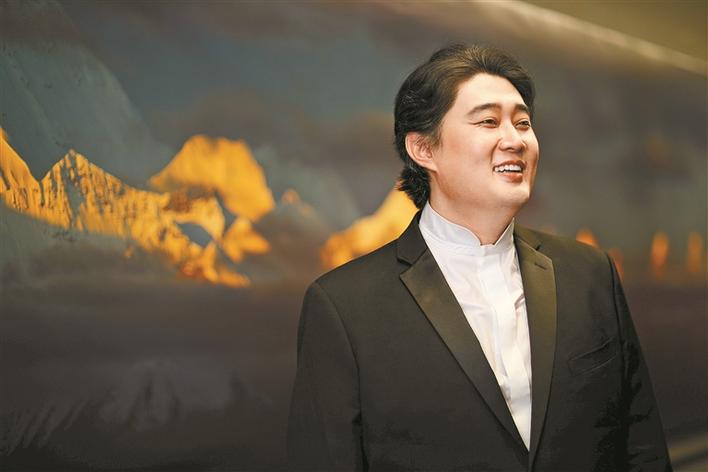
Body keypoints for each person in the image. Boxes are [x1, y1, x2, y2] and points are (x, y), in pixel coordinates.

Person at [287, 44, 671, 471]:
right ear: (424, 149)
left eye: (523, 123)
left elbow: (642, 448)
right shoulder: (344, 306)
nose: (515, 140)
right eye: (488, 121)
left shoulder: (589, 273)